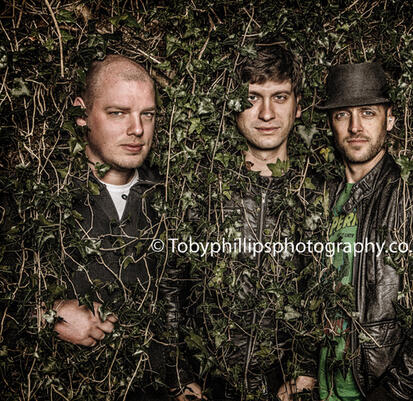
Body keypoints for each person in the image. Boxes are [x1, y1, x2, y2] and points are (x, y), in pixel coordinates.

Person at [54, 54, 202, 400]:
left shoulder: (171, 198)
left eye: (146, 115)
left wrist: (182, 379)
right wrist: (49, 316)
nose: (137, 129)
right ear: (82, 113)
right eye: (118, 113)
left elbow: (180, 301)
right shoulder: (46, 197)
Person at [312, 62, 413, 400]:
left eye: (367, 113)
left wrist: (394, 392)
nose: (355, 127)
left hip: (377, 389)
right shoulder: (317, 199)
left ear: (389, 119)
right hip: (322, 389)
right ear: (330, 124)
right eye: (341, 115)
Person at [188, 43, 323, 400]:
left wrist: (305, 372)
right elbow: (173, 284)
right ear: (233, 105)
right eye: (252, 97)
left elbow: (325, 292)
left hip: (286, 389)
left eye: (280, 97)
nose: (266, 113)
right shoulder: (202, 188)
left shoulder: (319, 193)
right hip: (210, 388)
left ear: (297, 105)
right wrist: (181, 375)